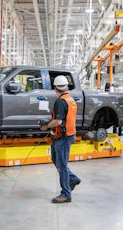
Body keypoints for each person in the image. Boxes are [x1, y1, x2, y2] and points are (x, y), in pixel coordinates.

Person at [40, 75, 81, 203]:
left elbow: (58, 121)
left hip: (63, 137)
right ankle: (73, 179)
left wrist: (45, 126)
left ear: (55, 88)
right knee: (56, 159)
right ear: (66, 87)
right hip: (68, 134)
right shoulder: (70, 99)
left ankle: (66, 194)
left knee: (62, 165)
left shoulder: (60, 101)